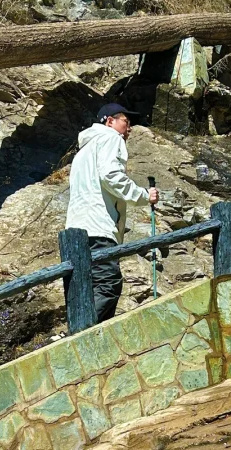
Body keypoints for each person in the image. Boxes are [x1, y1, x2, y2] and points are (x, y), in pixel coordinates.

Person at [66, 101, 160, 321]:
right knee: (108, 283)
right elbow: (110, 175)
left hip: (75, 230)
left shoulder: (83, 152)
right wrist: (144, 195)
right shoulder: (110, 138)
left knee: (82, 289)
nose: (129, 129)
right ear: (109, 121)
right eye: (126, 122)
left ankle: (73, 335)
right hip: (98, 226)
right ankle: (84, 336)